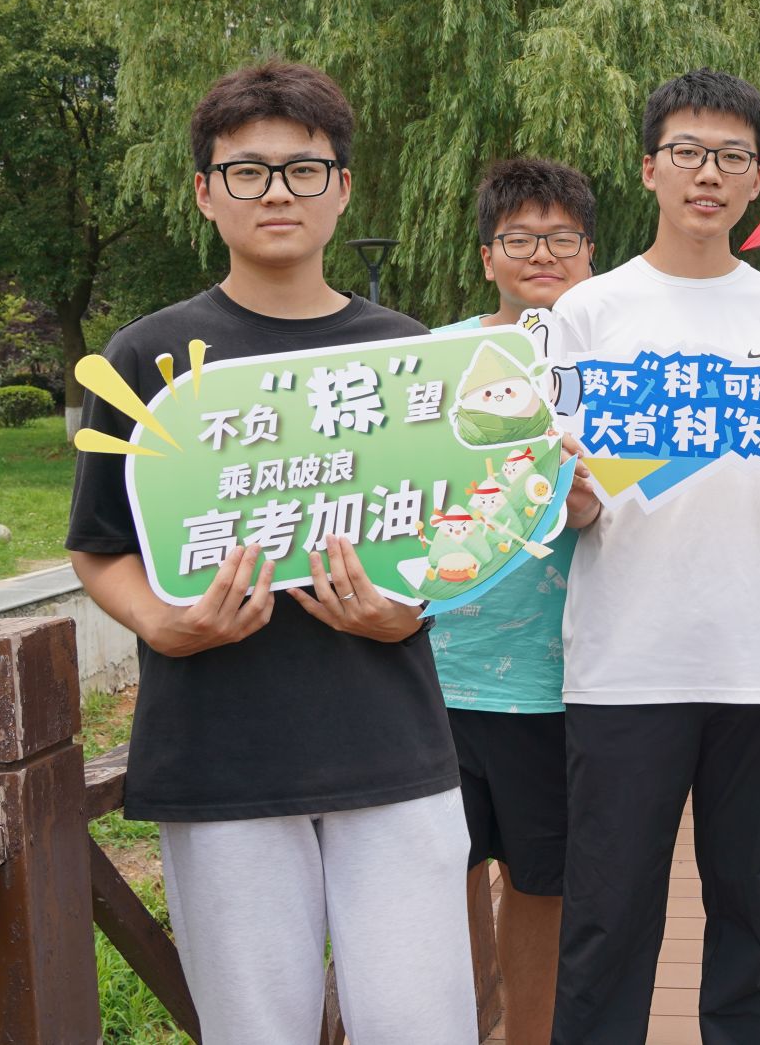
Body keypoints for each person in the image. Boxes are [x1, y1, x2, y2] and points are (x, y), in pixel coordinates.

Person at [65, 61, 475, 1045]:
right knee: (256, 1029)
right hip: (221, 749)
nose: (277, 193)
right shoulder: (148, 359)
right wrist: (161, 622)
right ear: (205, 193)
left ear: (343, 187)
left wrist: (410, 610)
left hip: (391, 742)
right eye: (246, 172)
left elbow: (456, 533)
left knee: (420, 1023)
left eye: (303, 170)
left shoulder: (408, 355)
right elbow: (99, 546)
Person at [542, 68, 760, 1045]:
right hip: (621, 663)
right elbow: (562, 507)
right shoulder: (587, 315)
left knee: (749, 921)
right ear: (649, 168)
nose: (708, 174)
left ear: (757, 178)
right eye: (686, 152)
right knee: (606, 922)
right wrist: (570, 494)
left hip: (757, 661)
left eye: (732, 157)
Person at [432, 157, 597, 1045]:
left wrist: (595, 500)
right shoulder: (438, 362)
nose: (542, 254)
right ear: (487, 255)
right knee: (439, 876)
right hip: (434, 668)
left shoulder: (615, 366)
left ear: (590, 252)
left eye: (561, 237)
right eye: (520, 238)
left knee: (543, 883)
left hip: (559, 678)